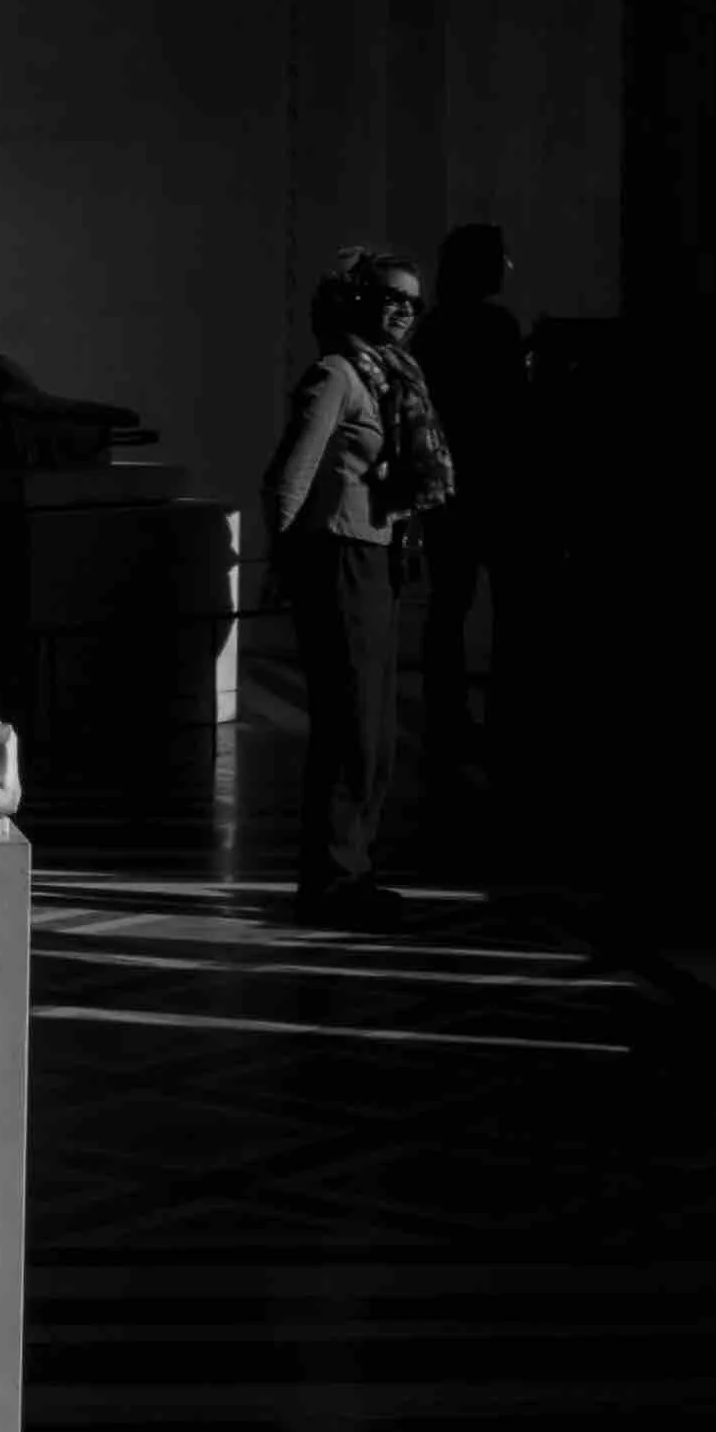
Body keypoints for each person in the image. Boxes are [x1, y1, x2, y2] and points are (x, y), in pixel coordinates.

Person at [260, 248, 455, 930]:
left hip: (381, 561)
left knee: (375, 734)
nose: (403, 310)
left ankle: (355, 870)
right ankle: (331, 882)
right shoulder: (337, 374)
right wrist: (282, 562)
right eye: (389, 297)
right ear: (355, 301)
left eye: (413, 301)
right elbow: (289, 476)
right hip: (337, 558)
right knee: (350, 727)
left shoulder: (393, 376)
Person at [412, 223, 528, 805]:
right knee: (511, 606)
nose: (509, 267)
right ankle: (507, 721)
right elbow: (513, 412)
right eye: (501, 258)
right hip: (496, 487)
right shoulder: (497, 328)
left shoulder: (431, 329)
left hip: (448, 488)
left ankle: (447, 719)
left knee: (448, 606)